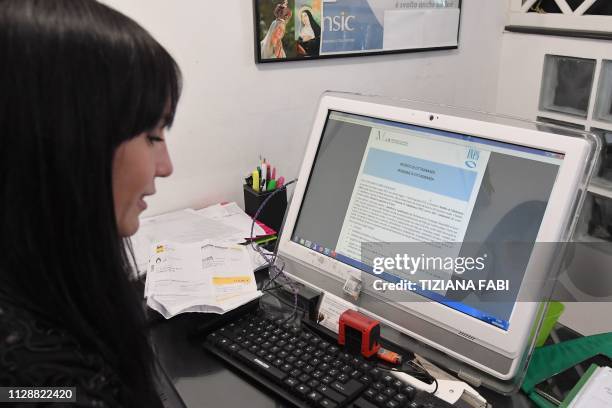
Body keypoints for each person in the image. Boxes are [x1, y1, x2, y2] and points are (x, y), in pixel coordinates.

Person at [0, 0, 181, 406]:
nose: (166, 166)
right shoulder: (37, 379)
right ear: (70, 144)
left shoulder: (46, 285)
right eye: (153, 135)